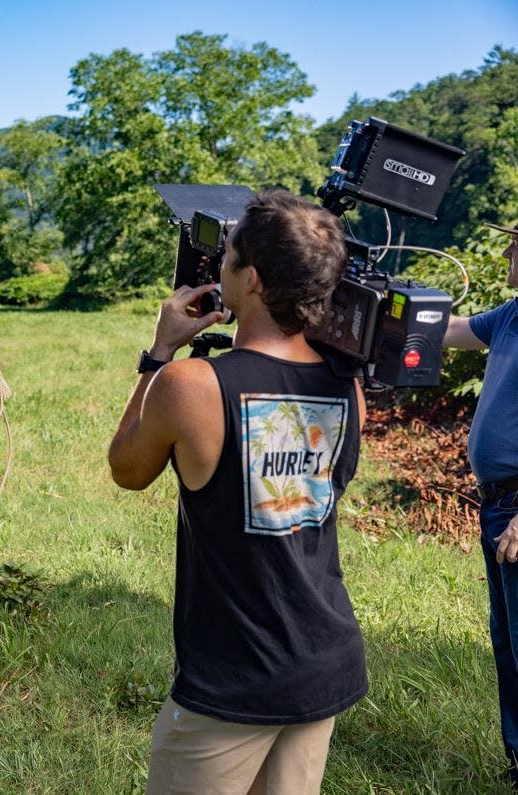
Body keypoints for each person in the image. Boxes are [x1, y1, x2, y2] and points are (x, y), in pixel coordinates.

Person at [108, 191, 368, 794]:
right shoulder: (347, 391)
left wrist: (160, 351)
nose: (217, 265)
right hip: (321, 662)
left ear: (250, 280)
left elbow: (126, 468)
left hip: (233, 676)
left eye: (225, 255)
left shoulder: (190, 385)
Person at [442, 220, 518, 787]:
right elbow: (448, 330)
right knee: (507, 641)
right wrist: (378, 302)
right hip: (496, 507)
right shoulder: (511, 315)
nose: (511, 246)